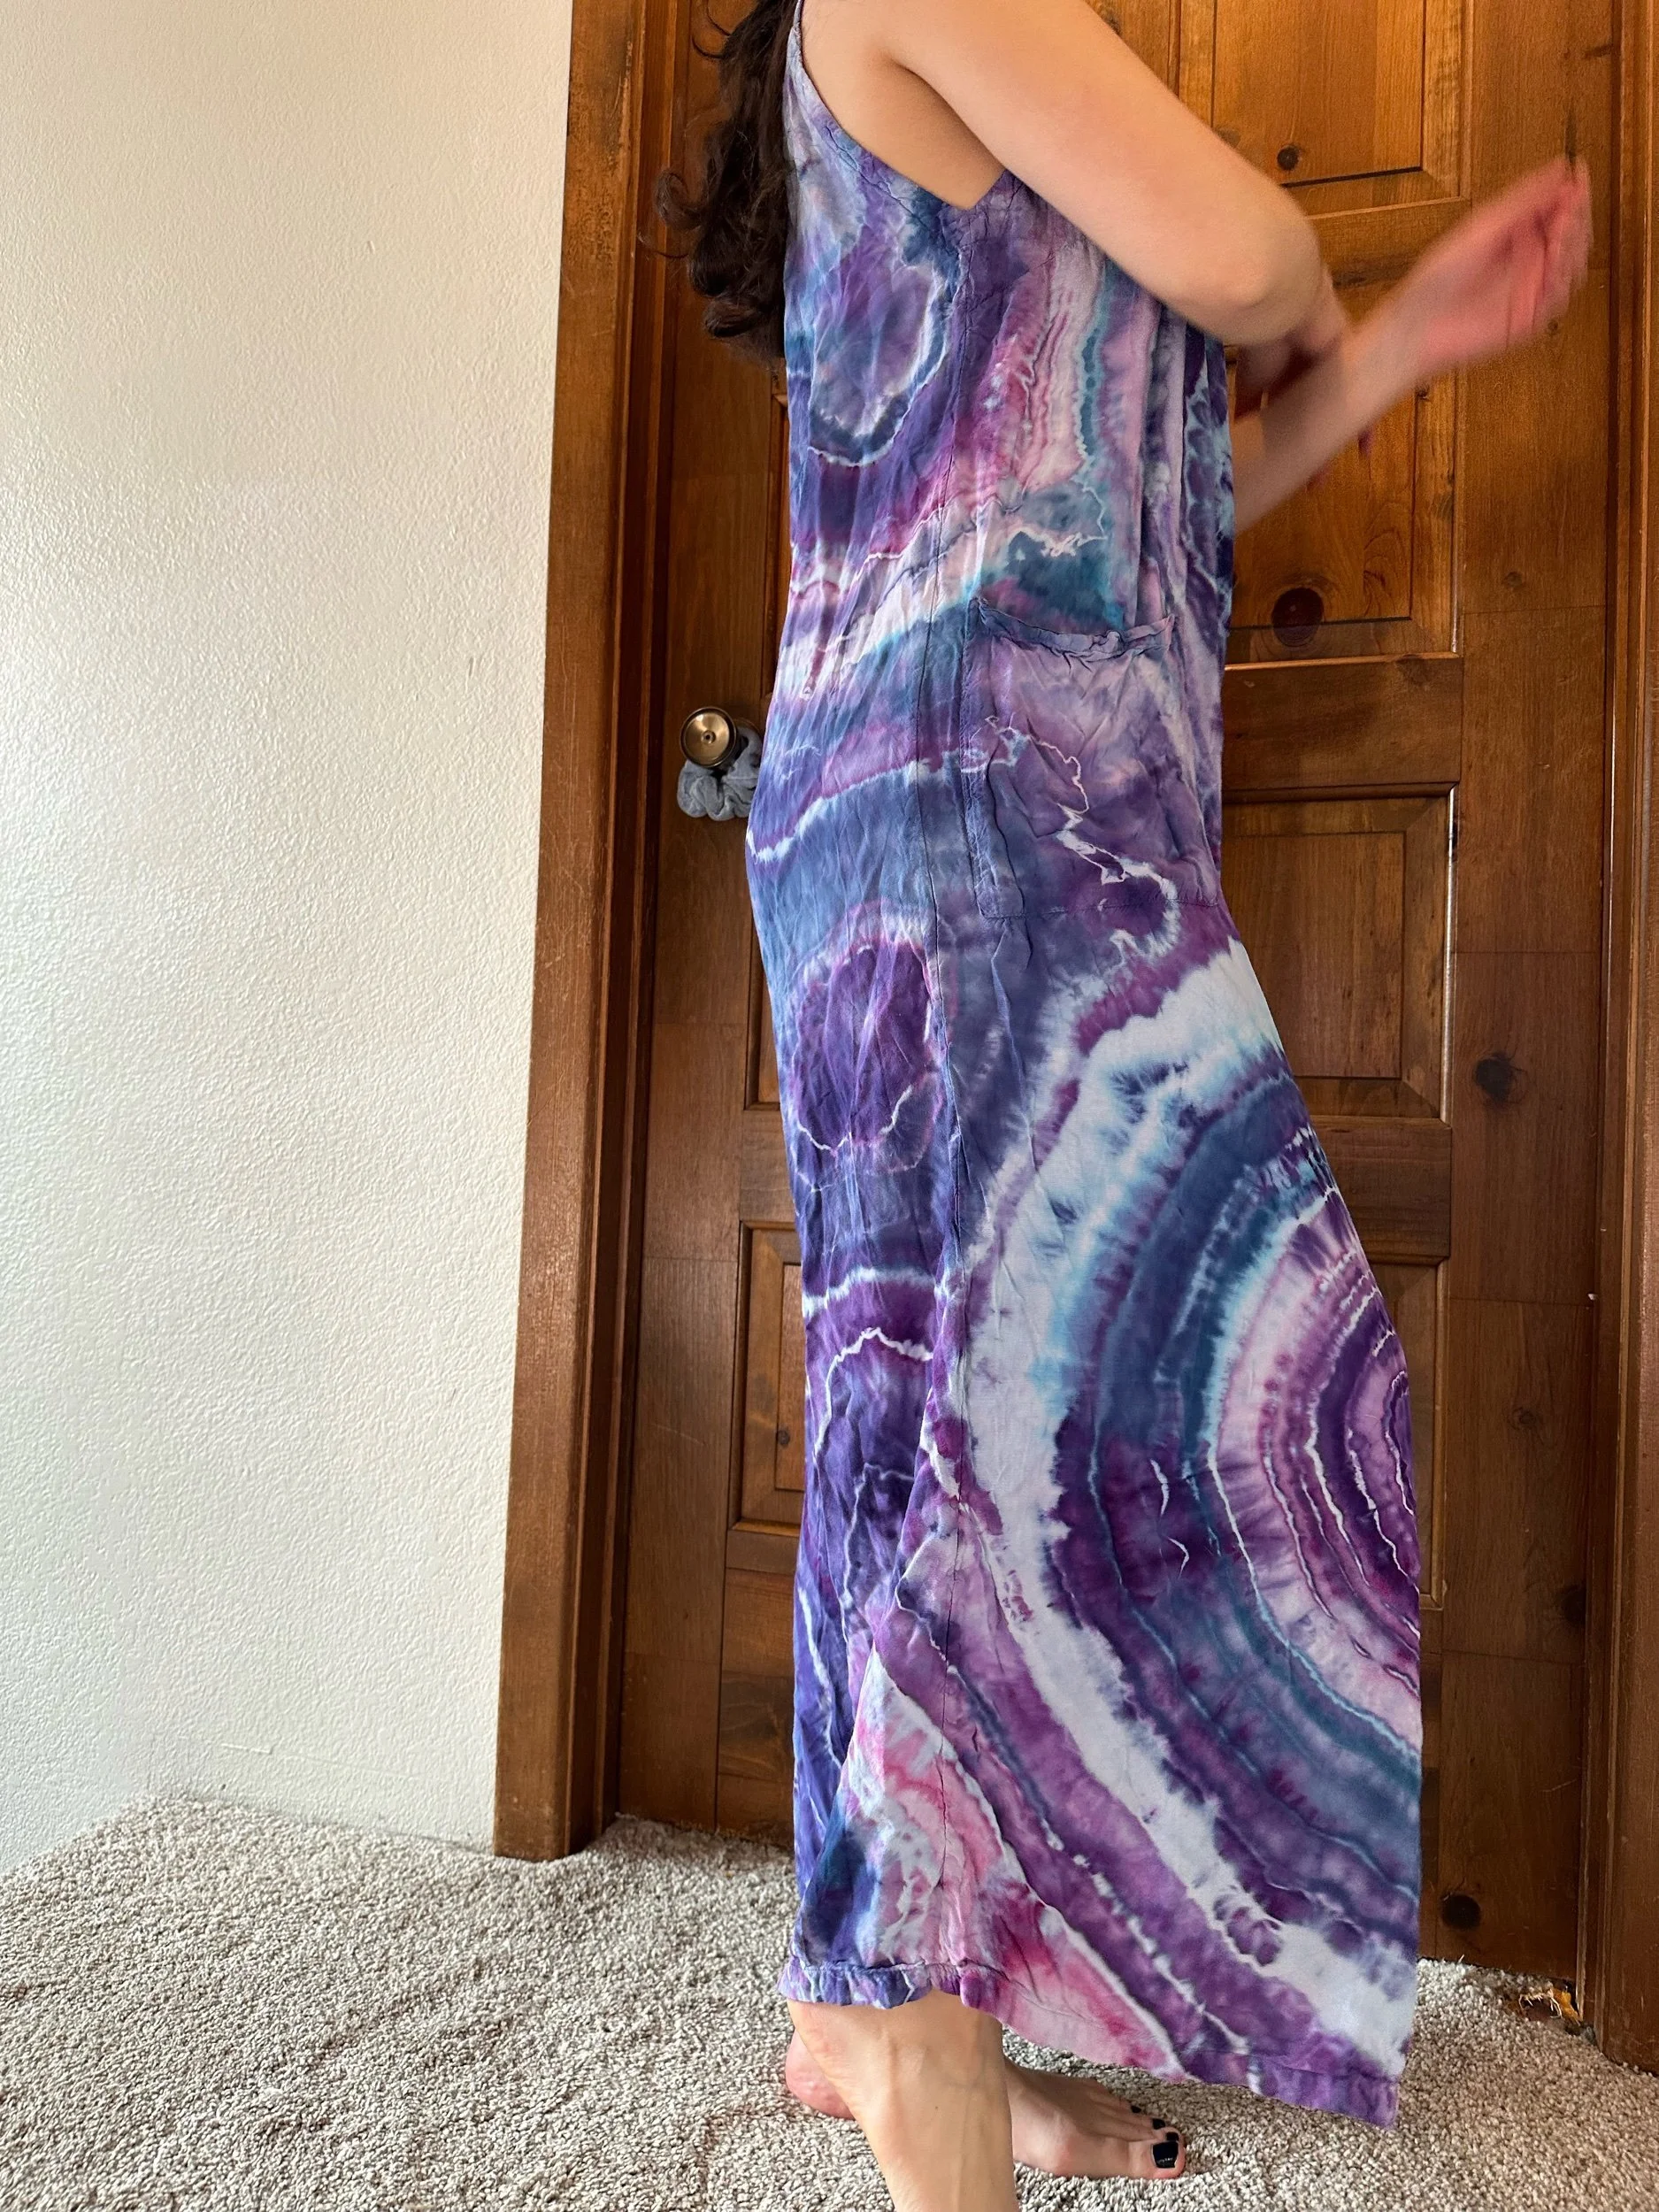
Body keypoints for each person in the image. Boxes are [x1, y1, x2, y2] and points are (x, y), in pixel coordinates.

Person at [661, 2, 1592, 2202]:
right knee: (985, 1411)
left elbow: (1146, 484)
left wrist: (1392, 348)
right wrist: (1310, 293)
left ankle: (869, 2004)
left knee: (964, 1400)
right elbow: (1247, 256)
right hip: (961, 792)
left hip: (1005, 793)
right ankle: (918, 2045)